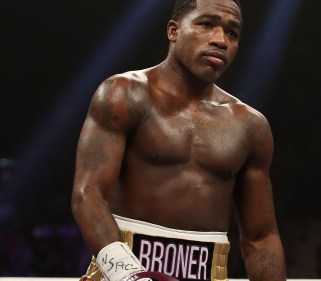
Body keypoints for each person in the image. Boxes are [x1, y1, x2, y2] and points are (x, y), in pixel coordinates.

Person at [71, 0, 287, 280]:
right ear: (174, 31)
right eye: (207, 24)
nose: (220, 40)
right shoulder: (125, 94)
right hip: (124, 269)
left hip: (206, 271)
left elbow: (261, 237)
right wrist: (129, 274)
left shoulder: (250, 126)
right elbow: (88, 195)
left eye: (232, 33)